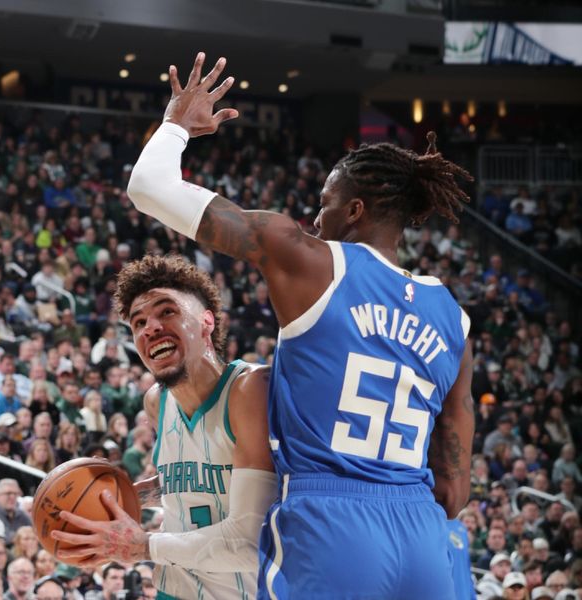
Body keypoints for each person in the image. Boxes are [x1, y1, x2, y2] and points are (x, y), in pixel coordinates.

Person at [125, 52, 474, 598]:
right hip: (425, 539)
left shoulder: (309, 260)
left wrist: (176, 125)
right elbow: (454, 489)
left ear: (354, 210)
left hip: (332, 524)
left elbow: (148, 187)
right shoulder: (453, 314)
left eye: (324, 203)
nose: (315, 218)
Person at [52, 255, 276, 599]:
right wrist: (121, 501)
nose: (150, 327)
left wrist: (142, 547)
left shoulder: (249, 390)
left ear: (206, 322)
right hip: (172, 589)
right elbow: (186, 480)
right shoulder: (157, 402)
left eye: (167, 311)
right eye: (138, 322)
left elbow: (249, 541)